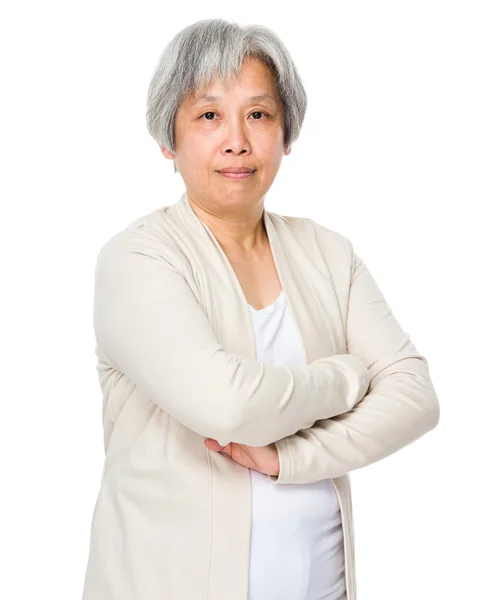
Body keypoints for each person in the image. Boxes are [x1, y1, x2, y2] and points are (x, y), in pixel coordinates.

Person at [81, 18, 440, 600]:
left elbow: (416, 398)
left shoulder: (327, 252)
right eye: (208, 115)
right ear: (167, 139)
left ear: (286, 133)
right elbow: (228, 404)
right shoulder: (138, 259)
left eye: (259, 114)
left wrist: (291, 458)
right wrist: (347, 376)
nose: (236, 141)